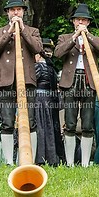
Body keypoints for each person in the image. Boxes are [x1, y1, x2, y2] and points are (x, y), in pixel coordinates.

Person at [0, 0, 42, 165]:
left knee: (30, 121)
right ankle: (8, 161)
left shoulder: (33, 31)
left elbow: (37, 48)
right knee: (7, 121)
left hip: (27, 81)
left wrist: (23, 30)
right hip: (6, 82)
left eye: (18, 10)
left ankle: (28, 161)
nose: (16, 13)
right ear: (7, 13)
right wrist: (9, 32)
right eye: (12, 10)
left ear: (23, 12)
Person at [55, 3, 99, 167]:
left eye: (84, 20)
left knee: (87, 123)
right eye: (78, 20)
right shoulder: (65, 38)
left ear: (88, 23)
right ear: (73, 22)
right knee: (70, 123)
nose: (81, 23)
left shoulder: (95, 39)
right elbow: (58, 53)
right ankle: (70, 162)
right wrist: (75, 37)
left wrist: (88, 37)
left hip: (88, 81)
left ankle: (86, 163)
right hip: (70, 82)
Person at [34, 38, 65, 166]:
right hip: (51, 101)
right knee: (50, 128)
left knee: (40, 127)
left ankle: (40, 157)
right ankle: (52, 157)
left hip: (39, 100)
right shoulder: (52, 68)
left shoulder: (38, 67)